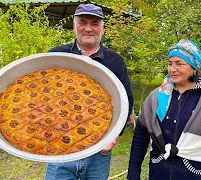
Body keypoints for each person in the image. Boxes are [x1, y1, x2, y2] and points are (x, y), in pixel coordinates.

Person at [45, 3, 134, 180]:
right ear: (74, 26)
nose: (88, 28)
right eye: (83, 22)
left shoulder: (115, 61)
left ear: (102, 28)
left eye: (94, 23)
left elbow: (127, 101)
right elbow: (43, 96)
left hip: (98, 152)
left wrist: (116, 134)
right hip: (59, 152)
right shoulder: (56, 55)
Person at [127, 39, 201, 180]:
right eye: (170, 63)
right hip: (159, 172)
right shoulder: (156, 97)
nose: (172, 69)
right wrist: (133, 173)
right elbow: (140, 138)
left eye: (179, 64)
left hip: (196, 174)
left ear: (194, 66)